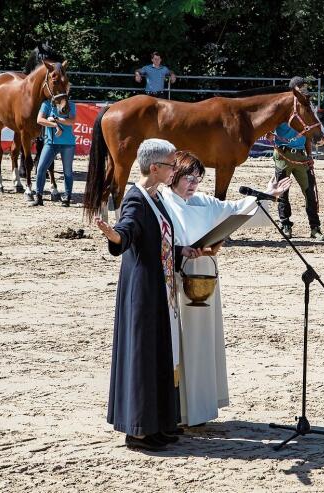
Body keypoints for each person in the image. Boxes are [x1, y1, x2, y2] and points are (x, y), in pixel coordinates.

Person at [159, 151, 291, 428]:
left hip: (204, 277)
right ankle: (177, 410)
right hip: (174, 280)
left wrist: (267, 195)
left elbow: (236, 210)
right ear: (173, 176)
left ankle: (199, 410)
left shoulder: (204, 202)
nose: (194, 183)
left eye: (198, 178)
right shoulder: (162, 202)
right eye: (188, 178)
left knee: (203, 344)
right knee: (179, 345)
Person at [95, 139, 208, 452]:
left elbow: (155, 239)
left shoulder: (156, 197)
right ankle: (139, 431)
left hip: (162, 288)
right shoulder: (136, 198)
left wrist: (180, 249)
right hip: (144, 290)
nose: (175, 170)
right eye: (172, 165)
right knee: (144, 355)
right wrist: (114, 234)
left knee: (161, 353)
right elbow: (128, 231)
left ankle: (158, 425)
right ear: (155, 167)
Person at [272, 76, 324, 241]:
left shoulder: (307, 108)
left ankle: (315, 228)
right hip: (282, 154)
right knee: (283, 192)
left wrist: (310, 156)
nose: (304, 90)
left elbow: (309, 135)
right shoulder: (282, 108)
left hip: (301, 156)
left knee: (310, 192)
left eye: (305, 88)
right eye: (301, 88)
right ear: (293, 90)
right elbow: (267, 123)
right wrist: (268, 135)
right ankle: (286, 224)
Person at [32, 93, 77, 207]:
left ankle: (67, 197)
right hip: (51, 143)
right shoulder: (46, 104)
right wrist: (54, 125)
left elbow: (71, 121)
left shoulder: (71, 105)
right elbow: (39, 120)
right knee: (41, 168)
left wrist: (56, 119)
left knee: (67, 171)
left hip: (68, 143)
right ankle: (39, 196)